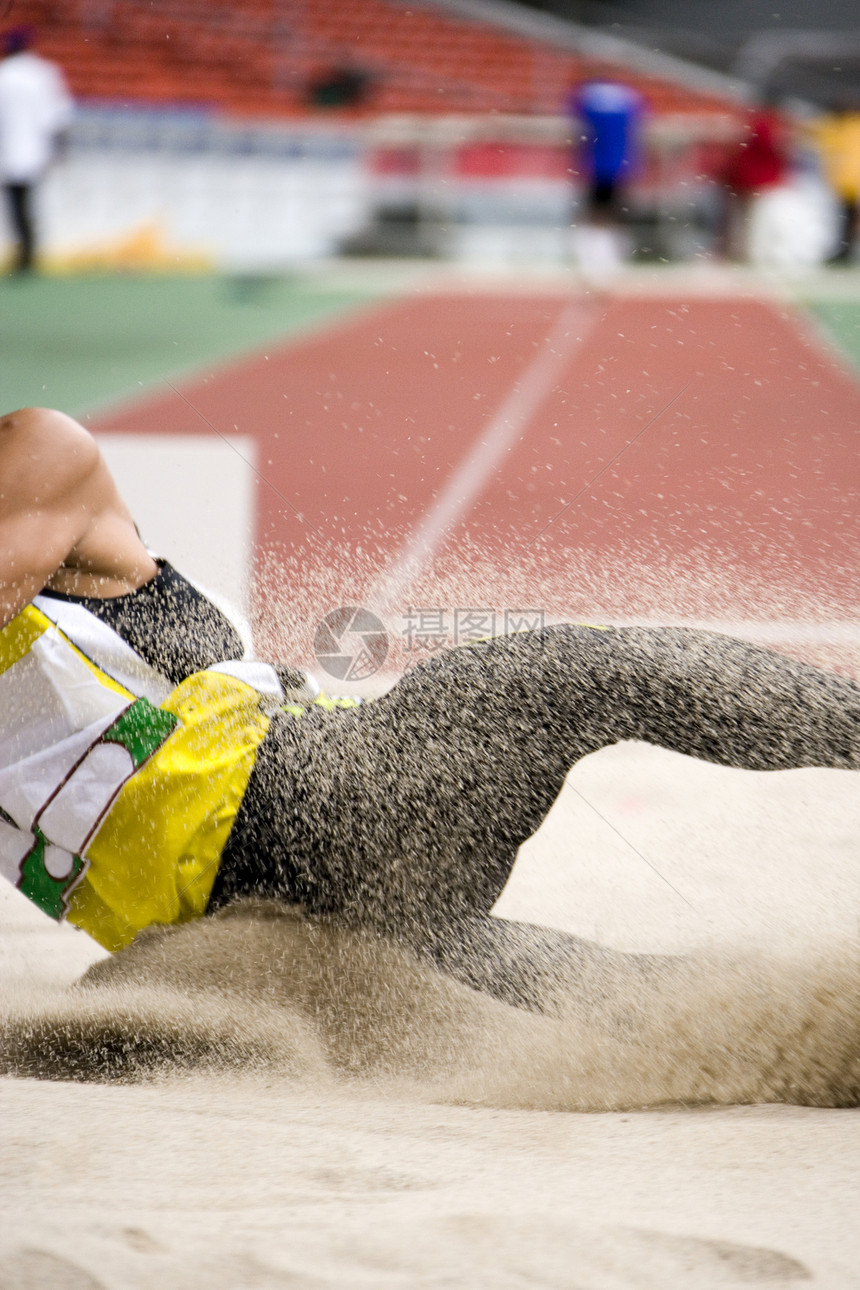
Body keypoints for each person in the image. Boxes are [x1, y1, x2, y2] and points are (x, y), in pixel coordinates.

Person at [2, 407, 859, 1013]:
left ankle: (813, 1031)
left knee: (626, 1003)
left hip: (256, 923)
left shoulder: (37, 456)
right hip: (302, 823)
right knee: (593, 667)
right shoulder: (37, 449)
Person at [0, 26, 73, 273]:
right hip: (36, 150)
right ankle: (29, 253)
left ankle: (25, 255)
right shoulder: (43, 73)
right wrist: (60, 149)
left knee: (16, 206)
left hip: (9, 150)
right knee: (28, 204)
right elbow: (58, 116)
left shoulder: (4, 74)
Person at [566, 79, 643, 276]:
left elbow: (575, 121)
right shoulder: (628, 98)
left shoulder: (586, 97)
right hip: (618, 164)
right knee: (611, 212)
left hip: (598, 164)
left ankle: (598, 257)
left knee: (598, 212)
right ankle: (603, 257)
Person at [810, 98, 860, 265]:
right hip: (847, 183)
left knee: (846, 219)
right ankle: (845, 250)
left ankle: (845, 250)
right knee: (846, 219)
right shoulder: (840, 127)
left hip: (847, 182)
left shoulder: (836, 128)